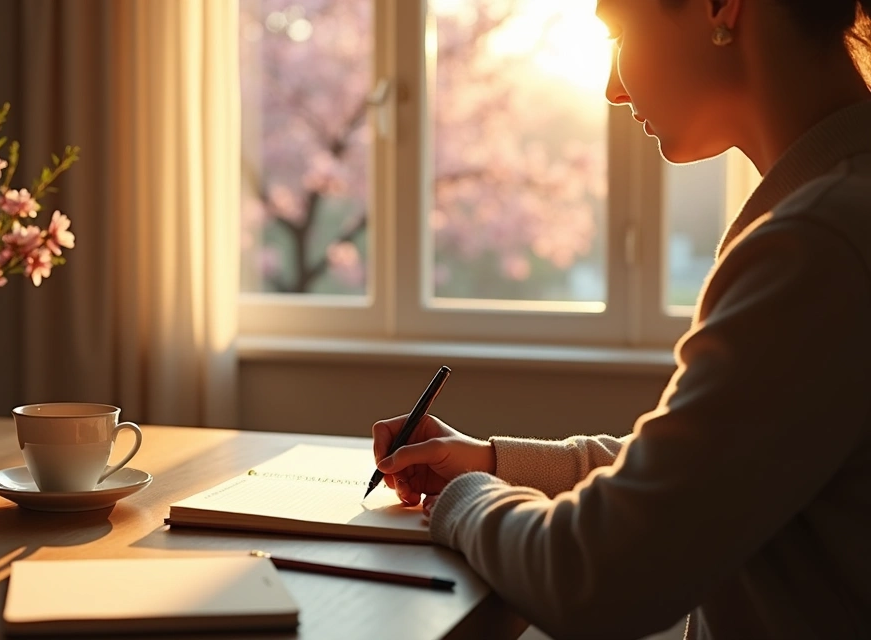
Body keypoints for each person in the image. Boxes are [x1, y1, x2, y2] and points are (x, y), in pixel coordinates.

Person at [372, 0, 871, 638]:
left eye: (618, 33)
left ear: (720, 8)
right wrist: (494, 464)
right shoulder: (838, 215)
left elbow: (596, 574)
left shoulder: (821, 248)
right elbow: (702, 479)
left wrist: (462, 502)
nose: (611, 87)